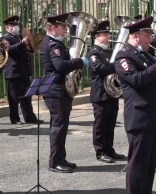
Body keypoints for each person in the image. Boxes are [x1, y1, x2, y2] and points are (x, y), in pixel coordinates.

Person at [114, 16, 156, 194]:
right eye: (148, 36)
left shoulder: (145, 54)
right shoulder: (123, 56)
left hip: (152, 115)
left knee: (149, 164)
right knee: (137, 164)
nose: (151, 39)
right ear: (136, 36)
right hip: (139, 116)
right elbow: (137, 79)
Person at [40, 13, 89, 173]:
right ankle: (55, 162)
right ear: (53, 28)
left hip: (57, 90)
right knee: (59, 126)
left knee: (60, 125)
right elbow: (60, 66)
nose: (65, 30)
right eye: (63, 27)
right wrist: (80, 61)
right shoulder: (53, 45)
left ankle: (61, 158)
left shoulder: (55, 42)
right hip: (55, 90)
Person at [87, 20, 125, 163]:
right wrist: (117, 65)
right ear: (97, 36)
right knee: (101, 125)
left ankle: (109, 149)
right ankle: (100, 151)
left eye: (109, 34)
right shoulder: (94, 52)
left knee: (110, 123)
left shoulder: (107, 52)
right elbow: (101, 69)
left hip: (111, 92)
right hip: (101, 94)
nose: (109, 36)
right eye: (106, 34)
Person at [2, 15, 43, 125]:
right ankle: (15, 119)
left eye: (16, 25)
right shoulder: (5, 38)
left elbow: (29, 48)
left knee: (27, 97)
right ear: (7, 28)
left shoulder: (20, 36)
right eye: (13, 25)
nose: (16, 27)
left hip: (24, 71)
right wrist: (22, 43)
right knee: (14, 99)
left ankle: (30, 117)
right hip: (13, 72)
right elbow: (9, 49)